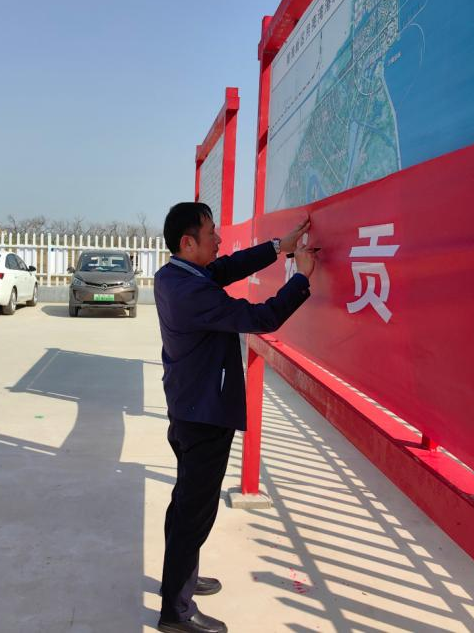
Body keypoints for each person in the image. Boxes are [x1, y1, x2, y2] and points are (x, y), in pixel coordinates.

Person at [155, 203, 316, 633]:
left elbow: (225, 268)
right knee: (194, 512)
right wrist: (301, 277)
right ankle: (176, 612)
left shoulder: (173, 275)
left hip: (187, 407)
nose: (219, 239)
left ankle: (179, 580)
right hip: (205, 417)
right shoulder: (194, 293)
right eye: (211, 233)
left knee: (185, 503)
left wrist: (277, 247)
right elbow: (261, 317)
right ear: (188, 242)